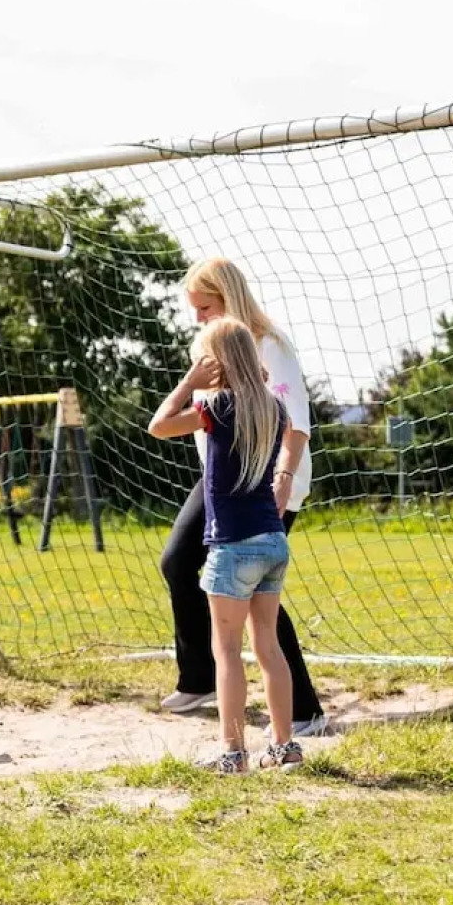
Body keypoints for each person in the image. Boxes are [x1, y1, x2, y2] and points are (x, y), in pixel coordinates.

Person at [158, 258, 327, 736]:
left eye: (205, 307)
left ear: (228, 298)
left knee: (253, 589)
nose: (198, 318)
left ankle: (304, 711)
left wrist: (283, 476)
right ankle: (201, 679)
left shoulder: (270, 345)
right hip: (222, 480)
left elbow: (297, 423)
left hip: (271, 479)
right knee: (177, 562)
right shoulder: (209, 347)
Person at [149, 318, 302, 772]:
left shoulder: (215, 407)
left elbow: (159, 426)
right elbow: (294, 435)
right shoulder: (274, 410)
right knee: (269, 650)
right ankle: (283, 746)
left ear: (216, 364)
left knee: (227, 653)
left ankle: (232, 754)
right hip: (272, 542)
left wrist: (188, 383)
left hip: (232, 547)